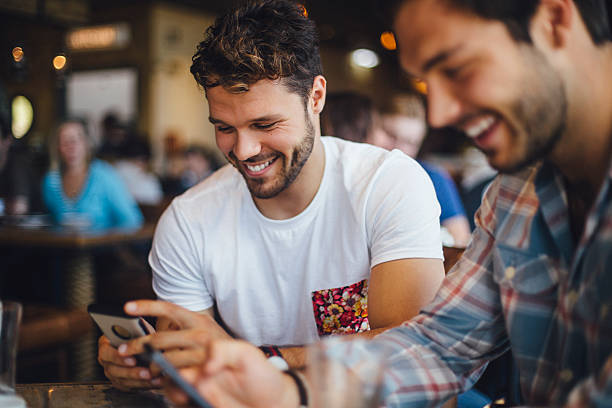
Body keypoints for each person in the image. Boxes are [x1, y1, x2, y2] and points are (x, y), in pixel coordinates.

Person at [155, 0, 612, 407]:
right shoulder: (516, 194)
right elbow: (438, 346)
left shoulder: (390, 180)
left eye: (457, 68)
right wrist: (290, 390)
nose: (439, 115)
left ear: (554, 20)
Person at [98, 0, 446, 391]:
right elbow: (193, 371)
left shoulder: (388, 184)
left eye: (265, 124)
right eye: (225, 127)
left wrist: (264, 362)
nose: (244, 150)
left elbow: (415, 354)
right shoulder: (188, 220)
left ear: (315, 97)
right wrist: (152, 368)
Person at [322, 91, 471, 247]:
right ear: (371, 128)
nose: (399, 149)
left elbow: (460, 240)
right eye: (391, 135)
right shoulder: (352, 174)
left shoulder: (433, 178)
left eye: (410, 142)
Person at [42, 119, 143, 230]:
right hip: (59, 247)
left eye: (77, 140)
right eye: (65, 141)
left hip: (101, 246)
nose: (72, 147)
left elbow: (132, 221)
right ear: (57, 148)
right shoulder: (51, 181)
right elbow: (49, 222)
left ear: (87, 143)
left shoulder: (105, 176)